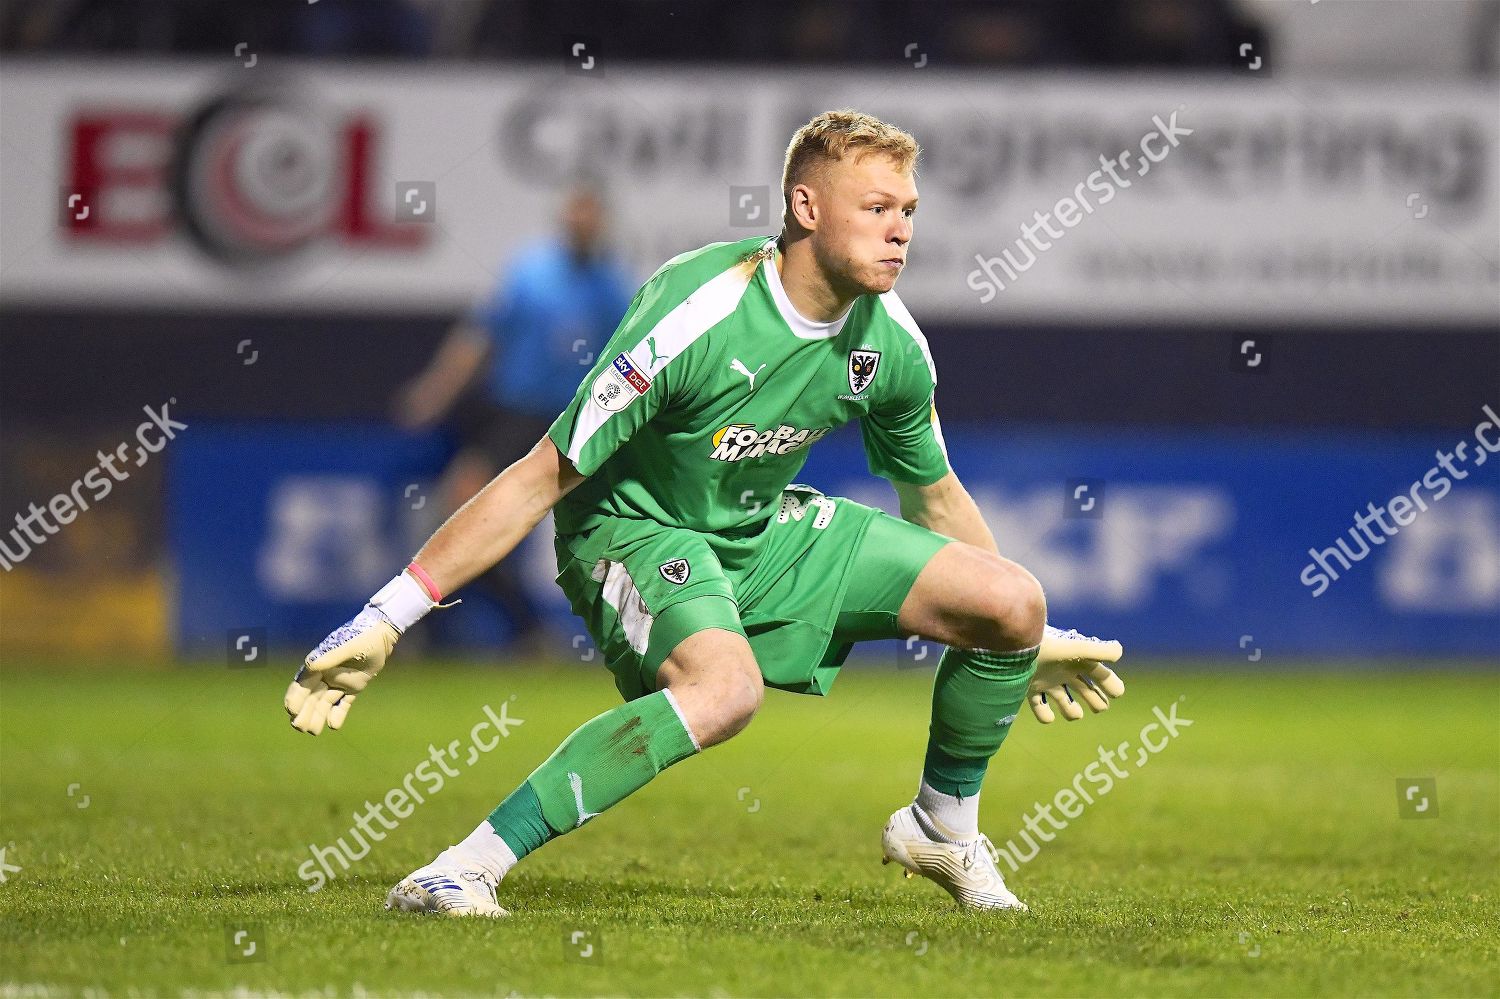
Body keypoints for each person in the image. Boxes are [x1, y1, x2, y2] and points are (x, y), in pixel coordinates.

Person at [286, 110, 1127, 917]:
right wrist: (389, 615)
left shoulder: (891, 341)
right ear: (806, 206)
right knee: (727, 690)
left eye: (908, 211)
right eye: (876, 208)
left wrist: (1023, 641)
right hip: (633, 529)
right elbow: (541, 474)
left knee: (1014, 600)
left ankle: (942, 827)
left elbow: (936, 495)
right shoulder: (698, 310)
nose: (901, 229)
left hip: (761, 533)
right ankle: (459, 868)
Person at [395, 184, 634, 650]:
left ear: (601, 223)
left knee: (595, 533)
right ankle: (452, 629)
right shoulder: (530, 272)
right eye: (575, 214)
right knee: (460, 508)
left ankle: (541, 633)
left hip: (571, 421)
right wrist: (435, 390)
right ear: (564, 218)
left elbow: (626, 361)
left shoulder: (612, 288)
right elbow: (480, 337)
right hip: (511, 415)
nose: (582, 223)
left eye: (591, 215)